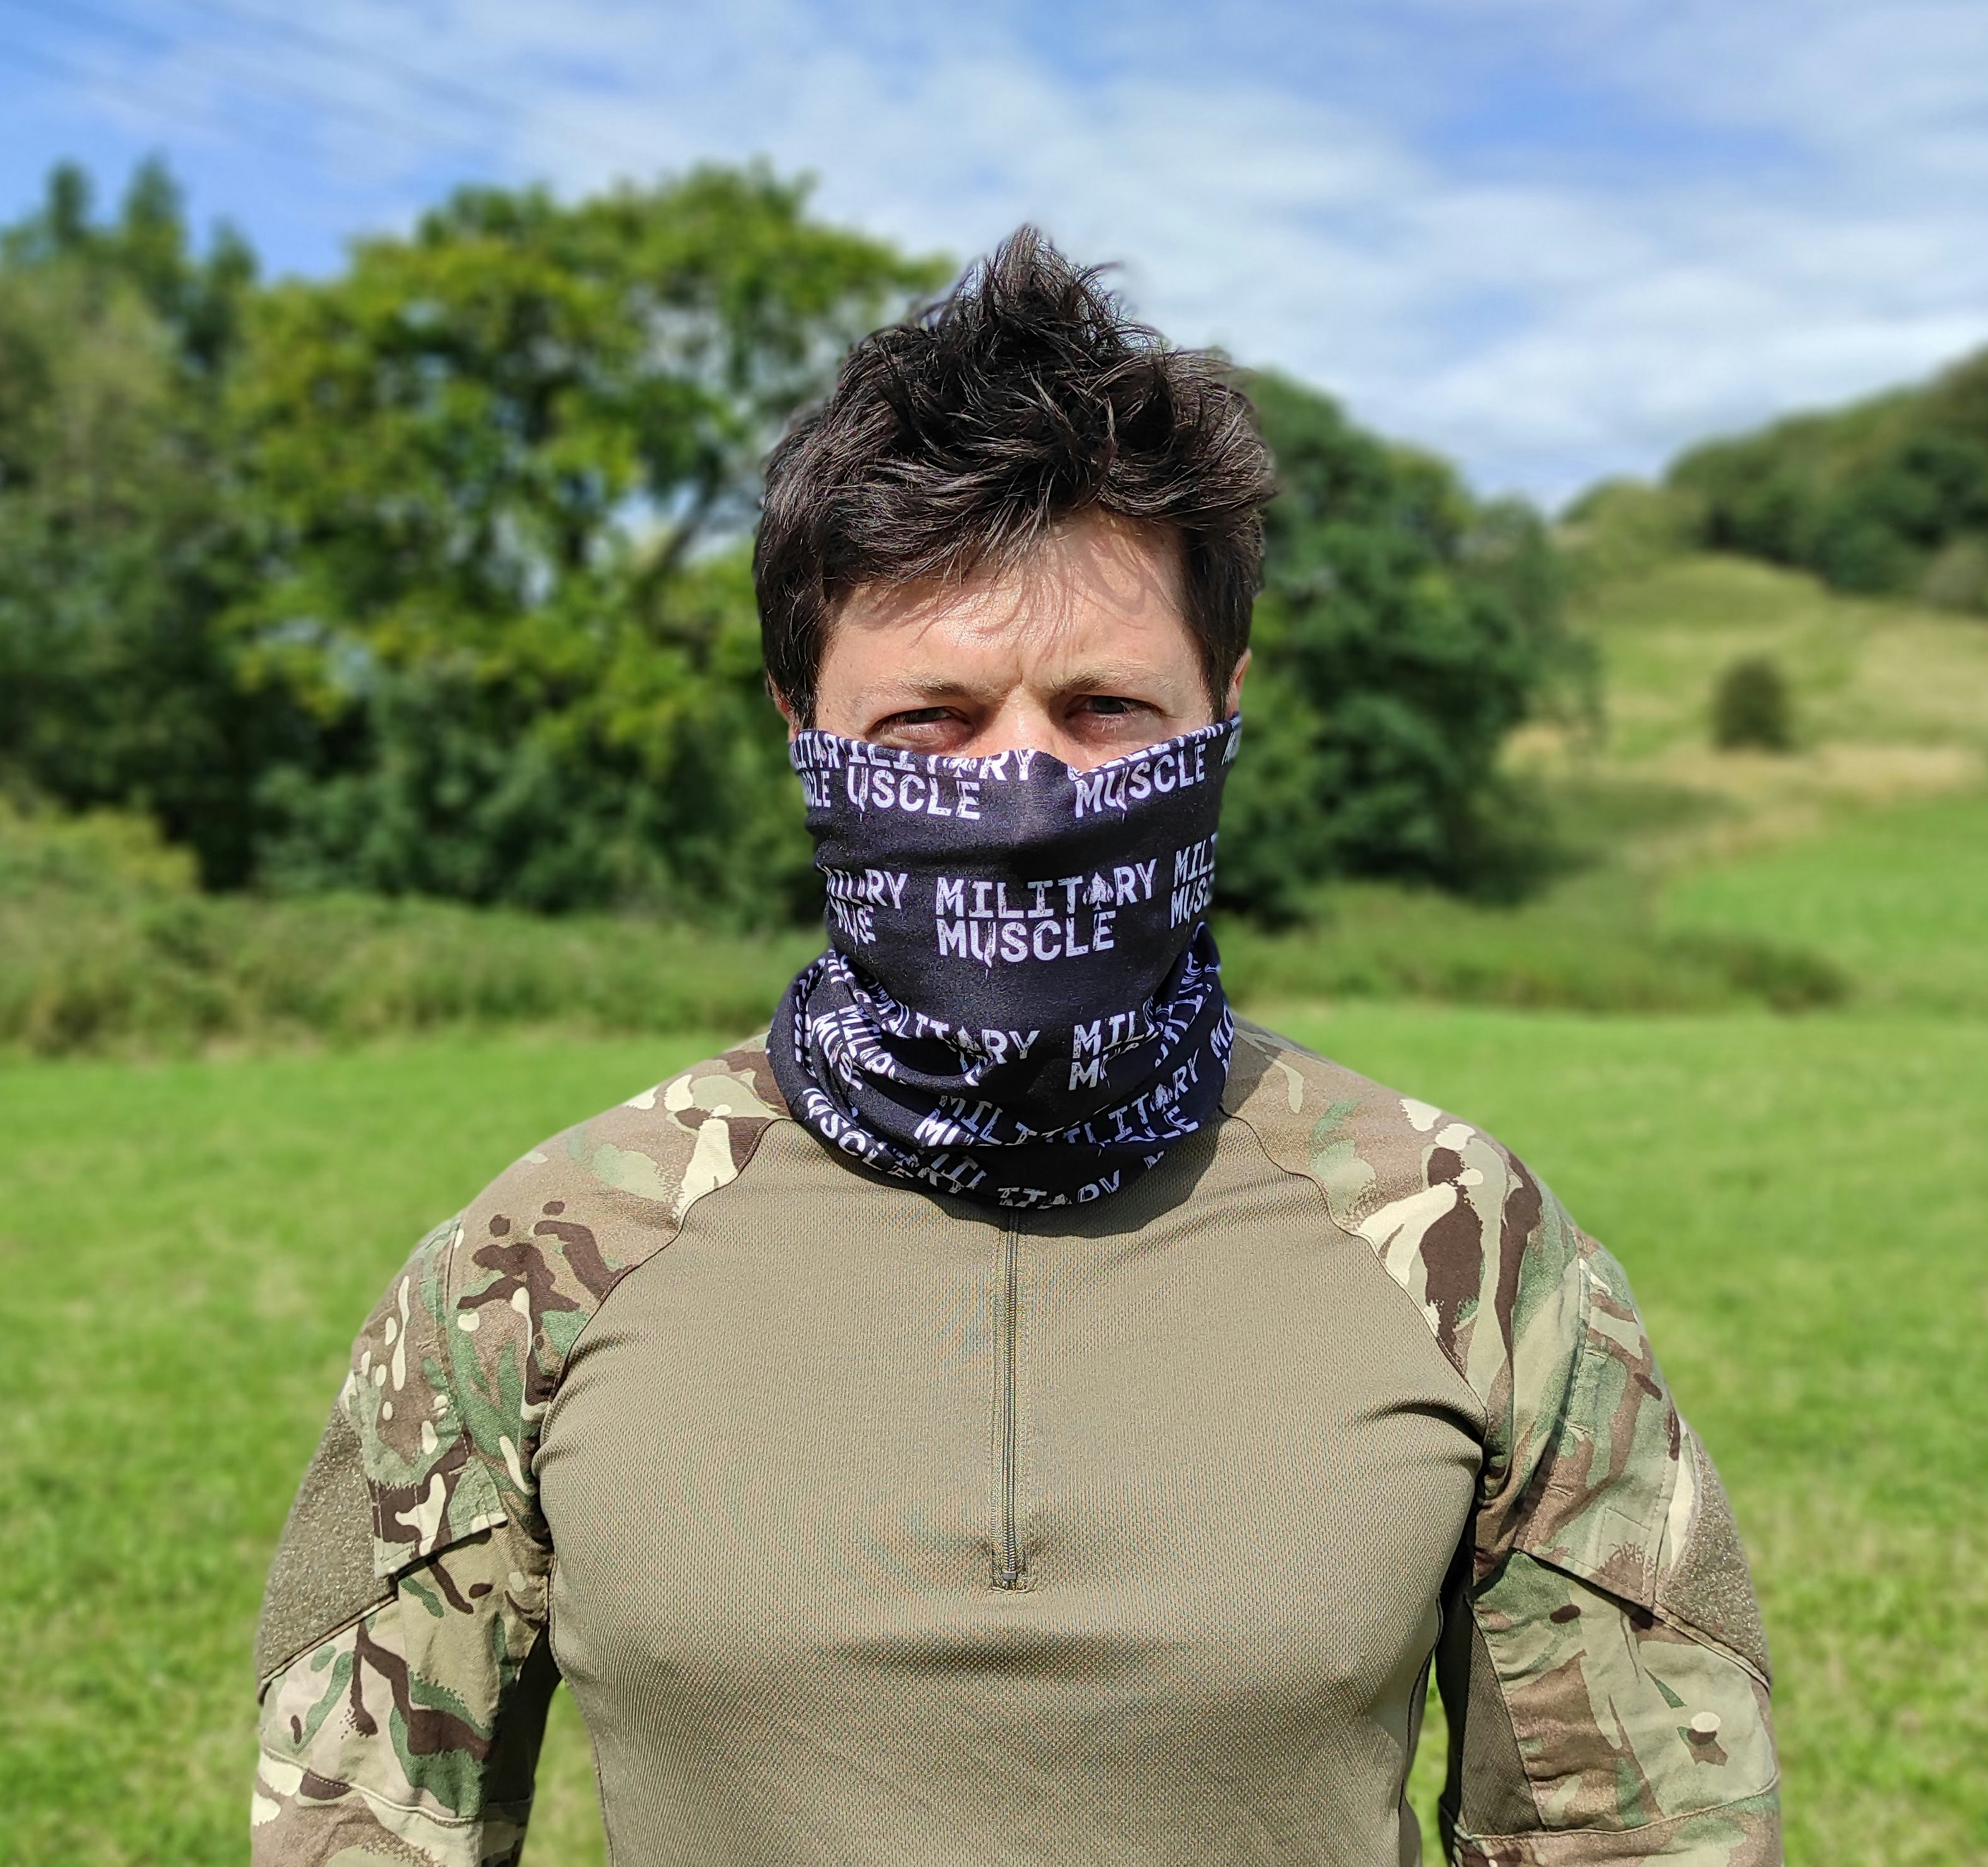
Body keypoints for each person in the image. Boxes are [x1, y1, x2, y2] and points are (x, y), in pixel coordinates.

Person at [251, 231, 1780, 1866]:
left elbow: (1635, 1832)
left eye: (1108, 709)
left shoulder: (1469, 1247)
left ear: (1224, 710)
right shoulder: (530, 1274)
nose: (1030, 791)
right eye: (936, 722)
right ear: (802, 727)